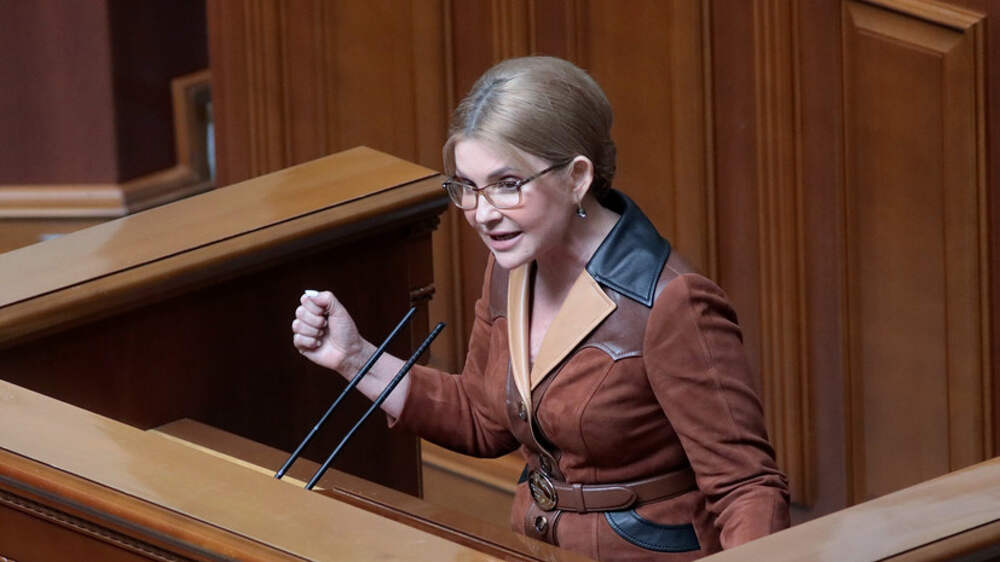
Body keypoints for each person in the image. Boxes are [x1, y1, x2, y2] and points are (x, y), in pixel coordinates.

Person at [291, 56, 789, 560]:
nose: (482, 214)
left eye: (507, 185)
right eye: (467, 187)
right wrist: (354, 357)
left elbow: (748, 489)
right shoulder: (511, 266)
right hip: (535, 546)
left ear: (576, 178)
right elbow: (482, 418)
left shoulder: (673, 303)